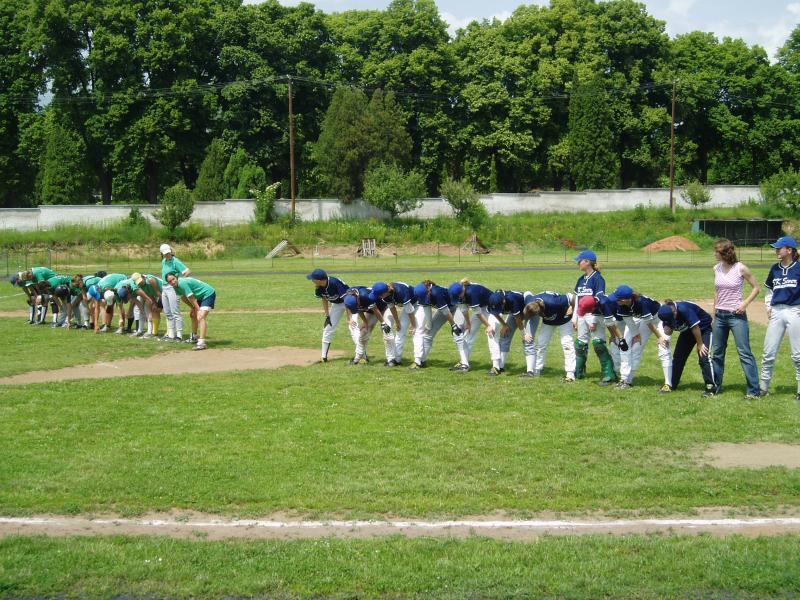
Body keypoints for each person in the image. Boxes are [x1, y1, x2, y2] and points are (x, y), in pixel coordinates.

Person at [709, 239, 761, 399]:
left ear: (725, 253)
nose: (715, 254)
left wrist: (744, 304)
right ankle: (715, 387)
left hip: (736, 316)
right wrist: (714, 314)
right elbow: (717, 292)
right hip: (720, 316)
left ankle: (753, 391)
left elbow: (756, 288)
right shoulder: (716, 268)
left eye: (717, 251)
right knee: (717, 353)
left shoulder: (741, 268)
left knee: (744, 353)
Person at [608, 285, 673, 392]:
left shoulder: (641, 303)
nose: (616, 301)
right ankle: (626, 381)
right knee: (634, 347)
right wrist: (636, 335)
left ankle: (668, 384)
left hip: (659, 318)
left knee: (663, 347)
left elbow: (649, 323)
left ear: (626, 299)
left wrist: (660, 337)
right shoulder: (621, 305)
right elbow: (629, 321)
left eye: (618, 299)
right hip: (645, 321)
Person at [759, 236, 800, 400]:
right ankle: (763, 388)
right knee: (768, 352)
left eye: (779, 248)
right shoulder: (774, 268)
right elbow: (769, 290)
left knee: (798, 354)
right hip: (777, 311)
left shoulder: (799, 268)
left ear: (789, 250)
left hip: (794, 311)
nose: (776, 250)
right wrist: (768, 307)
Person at [657, 300, 716, 396]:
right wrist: (664, 336)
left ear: (675, 311)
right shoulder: (666, 313)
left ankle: (710, 387)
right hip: (687, 332)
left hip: (703, 329)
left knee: (703, 356)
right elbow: (669, 331)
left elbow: (695, 327)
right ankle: (672, 384)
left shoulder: (684, 309)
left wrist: (700, 344)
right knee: (678, 358)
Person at [409, 280, 462, 371]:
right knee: (428, 335)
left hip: (457, 307)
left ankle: (464, 362)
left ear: (429, 289)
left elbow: (446, 311)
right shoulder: (421, 293)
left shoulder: (437, 292)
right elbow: (427, 309)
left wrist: (453, 325)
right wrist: (429, 325)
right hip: (444, 310)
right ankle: (422, 361)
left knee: (458, 335)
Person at [572, 250, 609, 380]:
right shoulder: (581, 279)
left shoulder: (598, 278)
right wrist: (575, 318)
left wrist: (593, 320)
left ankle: (608, 374)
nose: (578, 263)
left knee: (598, 344)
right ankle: (579, 372)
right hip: (581, 315)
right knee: (581, 343)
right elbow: (578, 300)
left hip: (594, 315)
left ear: (587, 262)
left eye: (580, 261)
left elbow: (599, 299)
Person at [523, 291, 576, 381]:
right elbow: (526, 293)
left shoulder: (554, 302)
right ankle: (537, 370)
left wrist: (572, 308)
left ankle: (570, 374)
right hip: (549, 321)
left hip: (565, 318)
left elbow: (572, 297)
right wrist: (525, 332)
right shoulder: (530, 301)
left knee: (567, 344)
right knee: (541, 344)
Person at [448, 279, 494, 373]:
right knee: (468, 334)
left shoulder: (472, 292)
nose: (458, 298)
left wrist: (488, 326)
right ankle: (464, 363)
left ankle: (497, 366)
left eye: (458, 296)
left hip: (491, 309)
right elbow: (464, 310)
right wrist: (468, 323)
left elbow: (478, 313)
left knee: (492, 335)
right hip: (480, 309)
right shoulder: (460, 294)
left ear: (462, 291)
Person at [487, 289, 535, 376]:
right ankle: (500, 367)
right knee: (505, 335)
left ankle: (530, 371)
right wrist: (504, 325)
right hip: (516, 313)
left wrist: (524, 334)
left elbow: (518, 319)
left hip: (530, 309)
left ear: (504, 301)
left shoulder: (511, 299)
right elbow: (495, 313)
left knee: (528, 339)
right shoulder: (492, 300)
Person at [369, 281, 417, 366]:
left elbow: (410, 310)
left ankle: (419, 361)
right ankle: (396, 360)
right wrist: (397, 322)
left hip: (418, 305)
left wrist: (413, 326)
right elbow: (392, 308)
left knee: (417, 332)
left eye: (379, 295)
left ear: (385, 292)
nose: (379, 297)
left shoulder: (401, 292)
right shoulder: (386, 296)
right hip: (408, 307)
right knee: (400, 330)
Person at [307, 268, 350, 363]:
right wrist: (327, 315)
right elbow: (324, 299)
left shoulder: (335, 283)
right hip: (336, 305)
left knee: (353, 327)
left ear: (319, 280)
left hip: (349, 302)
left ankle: (363, 355)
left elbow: (346, 300)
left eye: (313, 279)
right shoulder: (319, 288)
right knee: (328, 328)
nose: (312, 281)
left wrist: (349, 318)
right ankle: (323, 357)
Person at [167, 273, 216, 350]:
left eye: (173, 279)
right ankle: (194, 337)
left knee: (200, 316)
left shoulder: (182, 283)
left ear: (176, 277)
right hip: (199, 296)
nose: (172, 282)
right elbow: (183, 297)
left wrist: (198, 309)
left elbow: (191, 297)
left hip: (208, 293)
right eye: (170, 281)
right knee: (193, 315)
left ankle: (201, 342)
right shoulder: (175, 287)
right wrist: (193, 308)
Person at [343, 286, 389, 365]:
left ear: (357, 299)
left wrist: (383, 323)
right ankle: (357, 359)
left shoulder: (366, 296)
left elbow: (376, 310)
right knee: (363, 333)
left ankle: (392, 360)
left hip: (383, 308)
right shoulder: (348, 296)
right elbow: (359, 309)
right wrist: (365, 322)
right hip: (370, 310)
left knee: (387, 334)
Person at [160, 244, 191, 342]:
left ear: (170, 251)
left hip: (172, 287)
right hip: (164, 287)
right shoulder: (164, 261)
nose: (167, 255)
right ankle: (171, 334)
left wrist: (179, 283)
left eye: (168, 253)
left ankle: (179, 335)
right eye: (165, 254)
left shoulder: (175, 261)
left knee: (175, 312)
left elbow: (187, 272)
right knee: (167, 312)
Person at [131, 273, 164, 338]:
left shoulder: (151, 280)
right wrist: (155, 303)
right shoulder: (140, 286)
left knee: (168, 312)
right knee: (155, 310)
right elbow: (150, 295)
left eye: (140, 281)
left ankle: (170, 333)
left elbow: (158, 292)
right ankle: (155, 333)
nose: (140, 283)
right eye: (138, 283)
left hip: (164, 292)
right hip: (159, 294)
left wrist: (163, 305)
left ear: (142, 276)